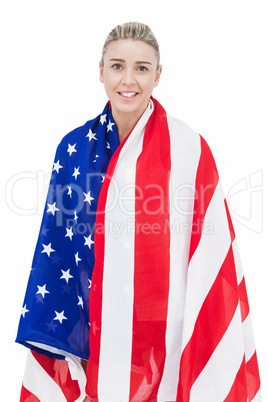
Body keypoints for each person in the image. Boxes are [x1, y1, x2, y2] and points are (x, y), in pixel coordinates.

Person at [16, 22, 261, 402]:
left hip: (168, 332)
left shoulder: (189, 149)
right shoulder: (75, 148)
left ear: (158, 75)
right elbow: (60, 244)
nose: (128, 79)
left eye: (142, 68)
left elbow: (211, 252)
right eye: (117, 66)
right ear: (100, 71)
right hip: (97, 329)